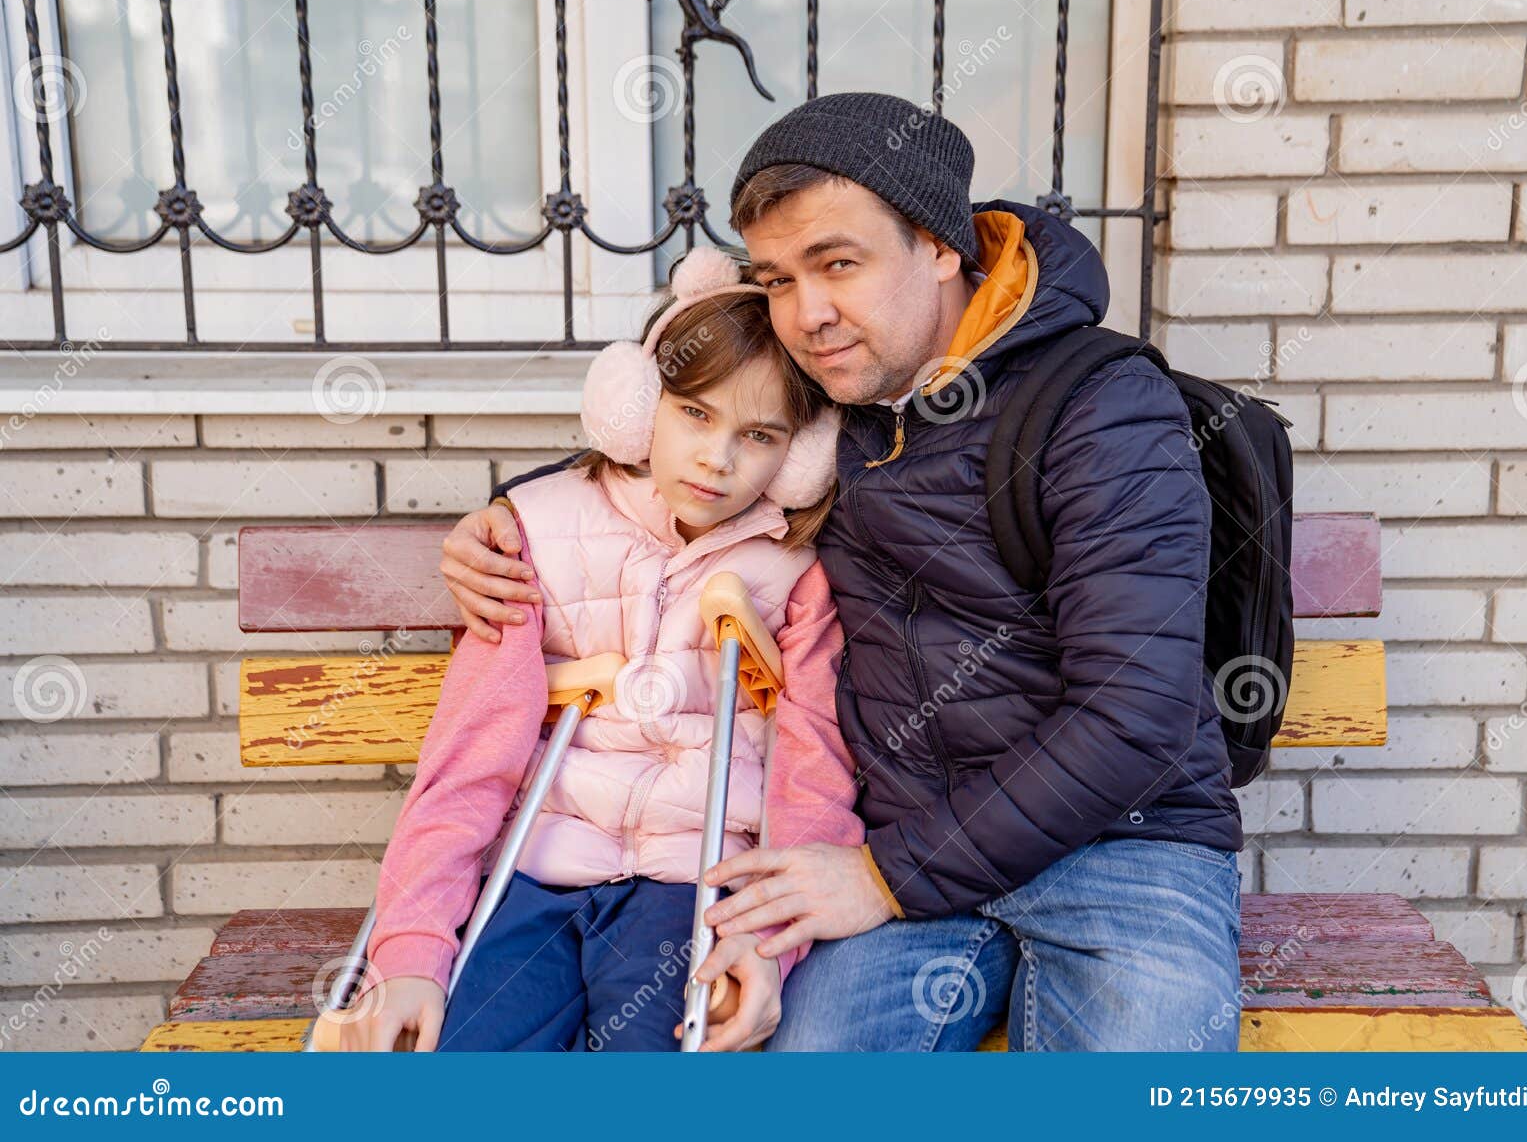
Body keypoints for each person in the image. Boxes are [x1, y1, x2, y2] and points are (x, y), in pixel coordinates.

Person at [440, 92, 1244, 1051]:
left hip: (1118, 845)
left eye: (839, 264)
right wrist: (505, 517)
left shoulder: (1101, 407)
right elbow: (675, 449)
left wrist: (878, 877)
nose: (807, 315)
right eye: (778, 279)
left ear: (942, 245)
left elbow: (1134, 712)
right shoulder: (831, 407)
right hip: (896, 844)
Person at [342, 247, 863, 1052]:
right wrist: (410, 950)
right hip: (538, 865)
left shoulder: (799, 572)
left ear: (799, 456)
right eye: (695, 413)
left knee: (658, 1059)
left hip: (691, 877)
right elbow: (467, 761)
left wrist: (768, 940)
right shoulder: (534, 534)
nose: (716, 459)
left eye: (758, 434)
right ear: (639, 404)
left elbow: (812, 773)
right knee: (468, 1051)